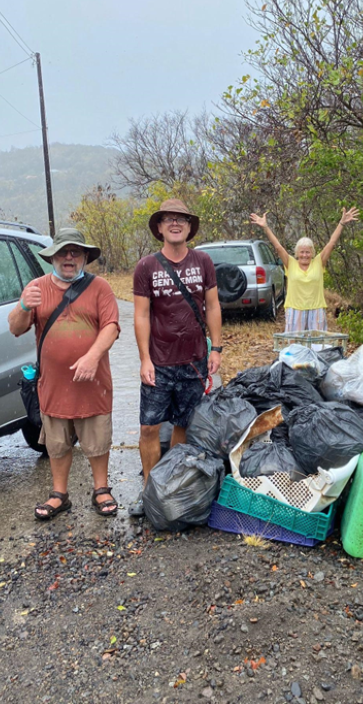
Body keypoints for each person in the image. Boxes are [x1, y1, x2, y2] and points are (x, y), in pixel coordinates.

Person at [8, 228, 121, 520]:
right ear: (53, 257)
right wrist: (23, 305)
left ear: (84, 257)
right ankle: (59, 494)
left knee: (96, 438)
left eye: (75, 252)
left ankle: (101, 489)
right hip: (54, 385)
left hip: (94, 383)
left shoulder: (100, 288)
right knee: (57, 443)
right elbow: (16, 328)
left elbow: (111, 326)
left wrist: (92, 356)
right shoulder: (36, 287)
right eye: (63, 252)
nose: (68, 257)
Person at [129, 199, 222, 517]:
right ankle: (147, 491)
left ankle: (172, 487)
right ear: (159, 227)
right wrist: (144, 359)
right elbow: (141, 316)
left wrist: (217, 348)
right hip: (159, 362)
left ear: (189, 226)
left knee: (183, 425)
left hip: (194, 361)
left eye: (181, 218)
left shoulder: (203, 262)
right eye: (168, 219)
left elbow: (213, 307)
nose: (175, 223)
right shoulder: (146, 267)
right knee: (149, 428)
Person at [249, 207, 359, 332]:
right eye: (302, 252)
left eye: (308, 252)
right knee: (295, 345)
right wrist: (265, 227)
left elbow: (331, 244)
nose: (305, 255)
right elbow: (278, 247)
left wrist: (342, 223)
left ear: (312, 253)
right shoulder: (290, 263)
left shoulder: (318, 262)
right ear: (297, 253)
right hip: (295, 310)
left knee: (317, 344)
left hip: (316, 309)